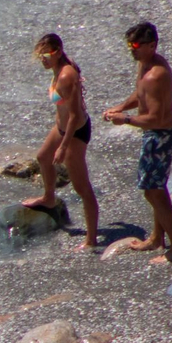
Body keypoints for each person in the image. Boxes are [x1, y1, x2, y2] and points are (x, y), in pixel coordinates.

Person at [104, 21, 172, 263]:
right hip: (154, 133)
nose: (132, 49)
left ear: (152, 45)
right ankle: (156, 238)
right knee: (154, 188)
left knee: (154, 192)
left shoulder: (156, 74)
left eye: (137, 45)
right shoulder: (144, 64)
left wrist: (126, 119)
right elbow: (141, 93)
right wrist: (121, 106)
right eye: (129, 44)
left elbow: (157, 118)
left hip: (162, 135)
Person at [22, 33, 101, 250]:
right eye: (40, 55)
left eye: (46, 55)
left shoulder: (67, 75)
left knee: (82, 187)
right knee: (43, 157)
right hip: (62, 126)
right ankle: (48, 197)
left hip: (75, 131)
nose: (43, 60)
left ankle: (91, 240)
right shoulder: (59, 67)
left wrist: (64, 146)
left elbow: (75, 115)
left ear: (57, 52)